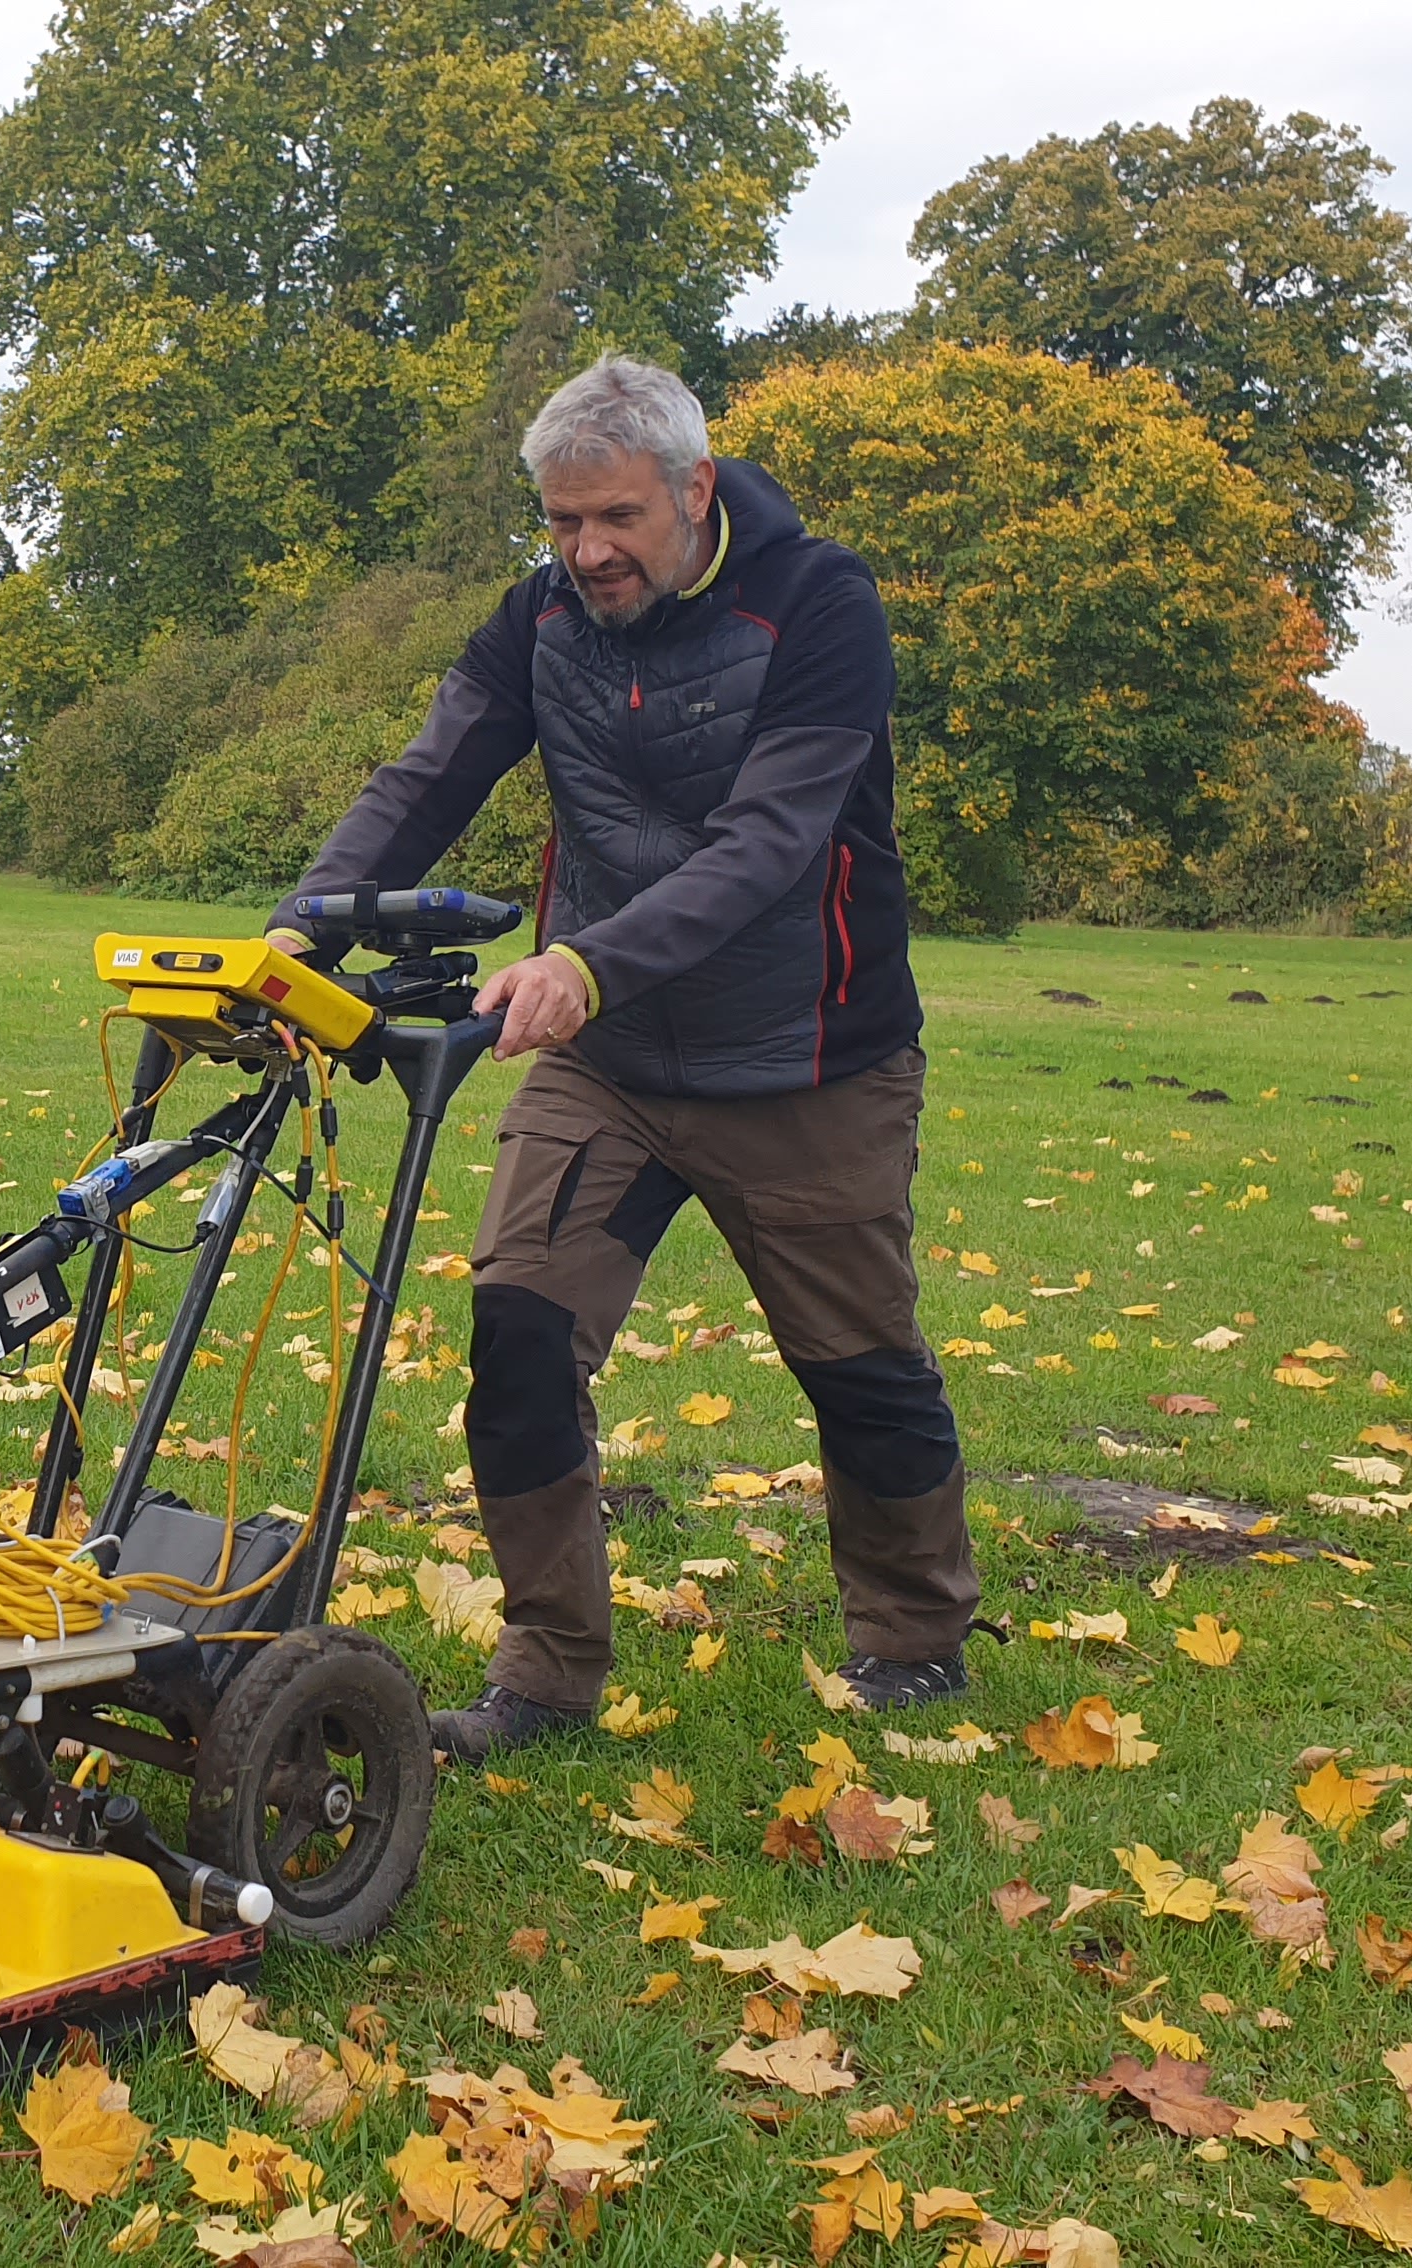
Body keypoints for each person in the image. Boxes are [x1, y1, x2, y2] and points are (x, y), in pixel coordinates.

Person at [269, 354, 982, 1762]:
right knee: (521, 1336)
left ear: (694, 492)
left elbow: (775, 842)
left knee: (858, 1363)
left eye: (616, 519)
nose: (587, 551)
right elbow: (430, 774)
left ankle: (913, 1636)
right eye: (561, 522)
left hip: (809, 1056)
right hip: (610, 1063)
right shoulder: (542, 620)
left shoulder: (820, 605)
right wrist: (304, 927)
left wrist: (585, 962)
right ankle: (546, 1675)